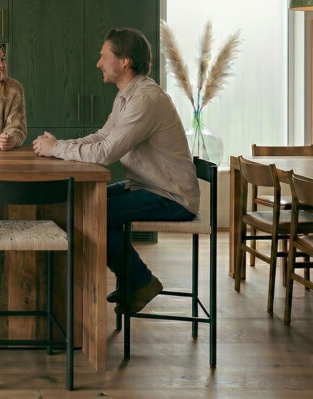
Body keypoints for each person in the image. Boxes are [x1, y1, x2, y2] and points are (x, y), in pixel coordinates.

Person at [32, 28, 199, 314]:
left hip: (170, 196)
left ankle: (140, 281)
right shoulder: (127, 97)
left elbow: (105, 153)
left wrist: (56, 148)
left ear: (124, 61)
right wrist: (58, 144)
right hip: (146, 187)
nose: (98, 63)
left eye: (103, 56)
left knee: (90, 212)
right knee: (80, 203)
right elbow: (101, 137)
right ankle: (132, 281)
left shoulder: (146, 100)